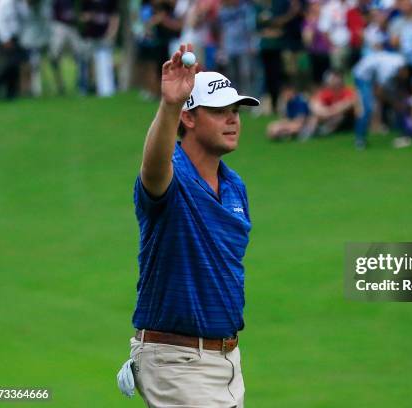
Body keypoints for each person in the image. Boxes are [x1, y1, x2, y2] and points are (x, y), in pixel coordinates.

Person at [117, 43, 259, 408]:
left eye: (235, 111)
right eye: (219, 111)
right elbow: (152, 169)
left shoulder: (235, 187)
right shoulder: (171, 175)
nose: (232, 119)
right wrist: (169, 105)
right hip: (176, 361)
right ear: (190, 118)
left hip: (227, 362)